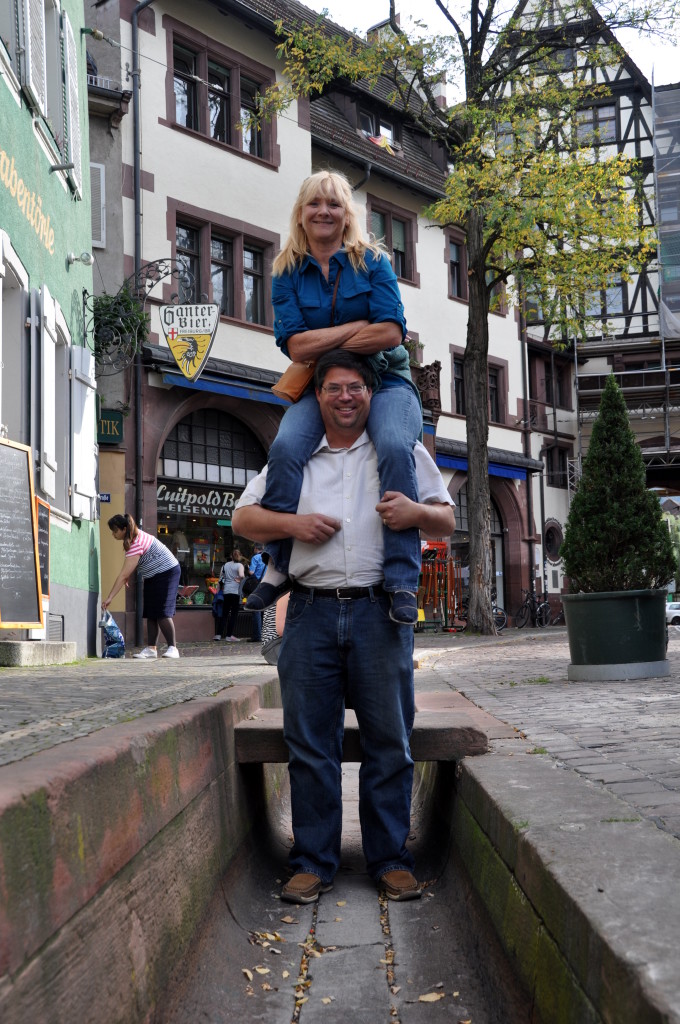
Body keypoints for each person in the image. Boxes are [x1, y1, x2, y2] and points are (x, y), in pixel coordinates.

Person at [232, 351, 455, 904]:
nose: (346, 397)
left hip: (382, 611)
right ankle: (313, 861)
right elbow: (243, 518)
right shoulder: (295, 455)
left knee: (389, 741)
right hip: (309, 611)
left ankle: (390, 859)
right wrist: (294, 524)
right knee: (309, 743)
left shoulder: (398, 450)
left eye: (356, 387)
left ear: (371, 393)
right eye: (334, 388)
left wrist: (415, 515)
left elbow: (447, 519)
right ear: (318, 396)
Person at [244, 170, 423, 625]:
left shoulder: (373, 262)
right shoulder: (285, 270)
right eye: (315, 204)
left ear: (347, 216)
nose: (324, 211)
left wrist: (326, 338)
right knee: (285, 447)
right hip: (319, 387)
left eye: (334, 204)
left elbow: (392, 332)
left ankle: (402, 578)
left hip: (385, 381)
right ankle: (280, 563)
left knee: (396, 446)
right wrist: (351, 333)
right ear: (301, 214)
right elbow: (295, 346)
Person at [103, 513, 181, 659]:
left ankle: (173, 648)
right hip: (153, 575)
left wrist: (110, 597)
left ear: (124, 529)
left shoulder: (136, 543)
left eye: (115, 530)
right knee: (151, 612)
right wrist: (129, 574)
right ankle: (151, 649)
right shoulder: (132, 539)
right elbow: (132, 566)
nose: (113, 534)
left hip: (167, 572)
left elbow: (123, 575)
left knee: (163, 611)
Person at [214, 548, 245, 642]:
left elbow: (220, 579)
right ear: (239, 556)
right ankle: (229, 636)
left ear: (231, 556)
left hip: (226, 592)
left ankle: (218, 635)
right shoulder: (240, 565)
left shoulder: (225, 565)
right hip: (235, 593)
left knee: (224, 614)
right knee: (233, 615)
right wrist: (239, 579)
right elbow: (242, 575)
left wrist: (217, 590)